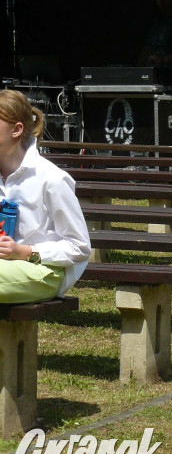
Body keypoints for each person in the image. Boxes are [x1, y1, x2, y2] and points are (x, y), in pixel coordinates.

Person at [0, 91, 91, 303]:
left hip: (45, 270)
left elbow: (80, 248)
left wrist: (23, 251)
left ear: (17, 130)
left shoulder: (52, 179)